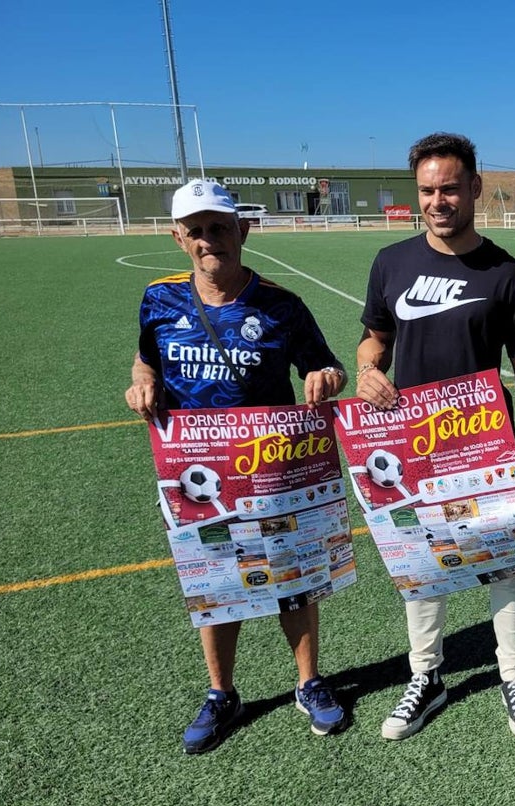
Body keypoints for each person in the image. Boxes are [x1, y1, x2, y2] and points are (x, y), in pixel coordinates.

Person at [125, 179, 349, 754]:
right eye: (195, 231)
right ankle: (221, 692)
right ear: (179, 239)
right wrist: (142, 382)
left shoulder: (281, 305)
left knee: (292, 580)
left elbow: (327, 366)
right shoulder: (159, 298)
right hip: (194, 471)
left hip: (269, 468)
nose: (208, 240)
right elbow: (146, 359)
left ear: (242, 231)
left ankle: (309, 682)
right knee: (215, 581)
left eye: (218, 228)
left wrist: (324, 377)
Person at [356, 133, 515, 741]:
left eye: (448, 188)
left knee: (504, 559)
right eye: (427, 190)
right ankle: (428, 677)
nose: (437, 201)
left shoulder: (507, 273)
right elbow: (374, 339)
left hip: (482, 442)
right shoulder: (390, 262)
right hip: (412, 444)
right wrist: (367, 370)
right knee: (423, 562)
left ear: (474, 189)